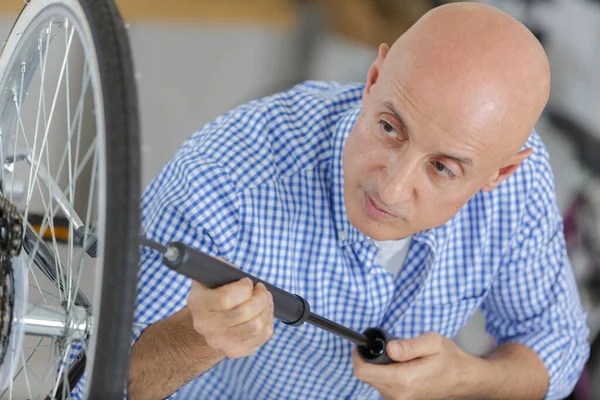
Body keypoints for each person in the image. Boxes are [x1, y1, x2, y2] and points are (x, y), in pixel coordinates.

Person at [126, 2, 589, 399]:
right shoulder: (224, 177)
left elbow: (557, 345)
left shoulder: (519, 184)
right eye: (389, 128)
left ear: (501, 172)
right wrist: (198, 336)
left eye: (442, 168)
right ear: (373, 79)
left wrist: (468, 379)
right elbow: (89, 382)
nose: (391, 189)